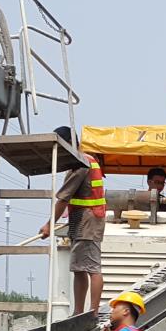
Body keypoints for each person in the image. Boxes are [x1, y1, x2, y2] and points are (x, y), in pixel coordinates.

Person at [40, 125, 106, 319]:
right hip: (83, 220)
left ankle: (92, 312)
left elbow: (63, 199)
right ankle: (78, 311)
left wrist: (49, 225)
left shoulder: (80, 164)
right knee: (79, 268)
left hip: (88, 220)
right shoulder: (87, 161)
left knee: (92, 267)